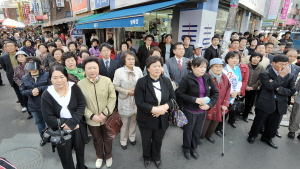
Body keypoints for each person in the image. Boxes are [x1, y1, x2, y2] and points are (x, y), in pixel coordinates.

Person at [41, 65, 87, 169]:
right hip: (60, 130)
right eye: (55, 77)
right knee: (65, 156)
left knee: (80, 151)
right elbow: (48, 118)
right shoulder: (47, 94)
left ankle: (81, 166)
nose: (59, 80)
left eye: (62, 77)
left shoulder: (73, 87)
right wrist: (67, 125)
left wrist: (73, 122)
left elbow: (81, 104)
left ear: (66, 76)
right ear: (50, 79)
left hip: (77, 127)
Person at [134, 56, 176, 168]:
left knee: (158, 139)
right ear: (148, 68)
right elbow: (139, 102)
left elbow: (173, 98)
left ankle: (157, 156)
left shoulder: (166, 81)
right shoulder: (141, 82)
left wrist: (164, 108)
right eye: (154, 66)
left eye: (159, 66)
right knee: (146, 140)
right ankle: (146, 156)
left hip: (162, 117)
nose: (157, 68)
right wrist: (155, 109)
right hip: (146, 118)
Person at [247, 55, 296, 149]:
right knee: (259, 121)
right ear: (273, 63)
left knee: (274, 124)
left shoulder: (290, 76)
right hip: (266, 101)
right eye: (281, 64)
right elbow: (269, 87)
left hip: (280, 103)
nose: (284, 67)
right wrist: (281, 77)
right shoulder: (265, 73)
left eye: (286, 64)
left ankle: (267, 138)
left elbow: (292, 91)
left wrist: (278, 88)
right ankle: (252, 135)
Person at [77, 57, 116, 168]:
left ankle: (108, 155)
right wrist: (91, 115)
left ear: (98, 68)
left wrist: (104, 113)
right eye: (89, 68)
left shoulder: (106, 80)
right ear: (84, 70)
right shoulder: (80, 84)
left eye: (94, 67)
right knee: (96, 139)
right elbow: (80, 104)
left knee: (108, 138)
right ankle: (99, 156)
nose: (92, 70)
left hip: (106, 117)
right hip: (92, 119)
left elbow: (112, 97)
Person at [176, 57, 218, 159]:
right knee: (188, 131)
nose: (203, 69)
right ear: (193, 67)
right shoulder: (186, 79)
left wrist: (209, 105)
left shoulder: (207, 78)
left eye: (205, 67)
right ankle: (186, 148)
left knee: (197, 132)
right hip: (189, 110)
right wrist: (194, 99)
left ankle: (193, 148)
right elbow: (179, 93)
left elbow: (215, 93)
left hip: (202, 111)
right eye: (200, 67)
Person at [113, 51, 143, 150]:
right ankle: (123, 140)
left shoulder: (138, 69)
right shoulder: (119, 71)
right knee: (124, 123)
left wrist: (138, 90)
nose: (131, 61)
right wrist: (126, 91)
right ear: (124, 60)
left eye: (133, 59)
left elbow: (142, 83)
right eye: (129, 59)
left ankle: (132, 137)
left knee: (134, 121)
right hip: (124, 100)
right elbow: (115, 86)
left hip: (136, 99)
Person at [20, 57, 50, 146]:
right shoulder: (24, 78)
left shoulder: (47, 74)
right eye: (28, 64)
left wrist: (40, 89)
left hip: (47, 104)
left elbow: (52, 86)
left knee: (51, 122)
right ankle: (43, 138)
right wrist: (31, 92)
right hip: (34, 105)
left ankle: (53, 137)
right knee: (39, 123)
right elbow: (22, 91)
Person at [200, 58, 230, 142]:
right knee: (205, 122)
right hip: (209, 104)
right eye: (216, 66)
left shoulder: (224, 77)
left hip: (220, 104)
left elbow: (228, 89)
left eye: (220, 66)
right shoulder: (206, 77)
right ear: (210, 67)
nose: (218, 68)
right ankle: (200, 137)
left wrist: (225, 103)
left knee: (215, 121)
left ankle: (209, 135)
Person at [0, 41, 27, 112]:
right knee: (18, 91)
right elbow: (5, 68)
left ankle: (29, 103)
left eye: (11, 46)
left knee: (27, 89)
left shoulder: (21, 54)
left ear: (15, 47)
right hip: (13, 77)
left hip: (24, 75)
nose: (10, 48)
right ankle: (23, 105)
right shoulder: (3, 57)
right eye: (8, 46)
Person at [222, 51, 242, 128]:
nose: (235, 60)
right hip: (225, 95)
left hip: (233, 94)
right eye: (232, 58)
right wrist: (231, 92)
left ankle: (221, 127)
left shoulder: (237, 68)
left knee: (228, 111)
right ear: (227, 59)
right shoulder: (224, 69)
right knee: (222, 112)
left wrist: (236, 91)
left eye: (237, 58)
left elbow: (239, 81)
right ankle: (217, 128)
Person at [242, 52, 264, 122]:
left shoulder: (261, 68)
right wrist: (245, 86)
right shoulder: (245, 66)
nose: (255, 59)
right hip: (243, 87)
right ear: (251, 58)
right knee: (240, 101)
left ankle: (245, 115)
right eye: (254, 57)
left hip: (253, 89)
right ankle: (236, 114)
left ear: (260, 59)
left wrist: (253, 87)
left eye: (258, 57)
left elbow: (261, 79)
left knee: (249, 103)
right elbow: (241, 77)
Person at [13, 51, 32, 119]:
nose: (20, 58)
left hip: (31, 85)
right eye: (18, 57)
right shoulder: (16, 68)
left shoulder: (31, 64)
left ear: (26, 57)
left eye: (22, 56)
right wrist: (21, 84)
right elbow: (15, 78)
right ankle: (30, 113)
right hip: (23, 87)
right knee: (25, 100)